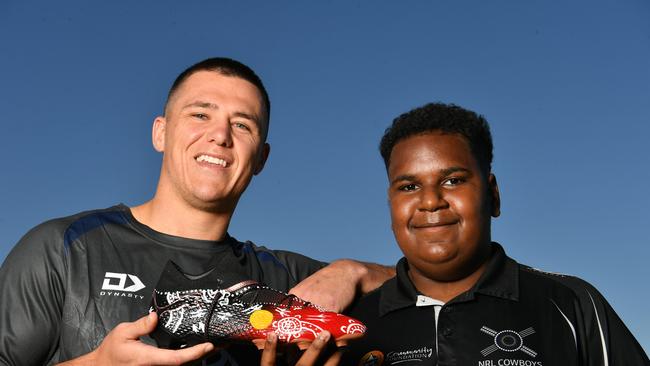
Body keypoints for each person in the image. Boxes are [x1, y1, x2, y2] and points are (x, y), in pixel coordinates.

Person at [0, 57, 393, 366]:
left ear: (261, 159)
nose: (220, 136)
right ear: (161, 132)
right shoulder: (65, 248)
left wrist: (352, 271)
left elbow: (436, 286)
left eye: (242, 126)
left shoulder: (286, 279)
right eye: (200, 114)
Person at [342, 103, 649, 365]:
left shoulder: (572, 304)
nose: (431, 200)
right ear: (391, 205)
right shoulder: (349, 327)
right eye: (409, 187)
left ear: (493, 195)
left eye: (452, 180)